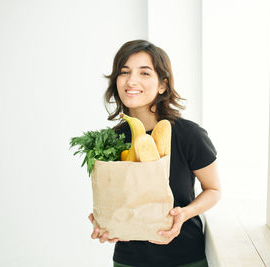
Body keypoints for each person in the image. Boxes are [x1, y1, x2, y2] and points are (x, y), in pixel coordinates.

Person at [88, 39, 221, 267]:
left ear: (162, 85)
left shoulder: (188, 135)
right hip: (128, 260)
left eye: (144, 73)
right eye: (124, 72)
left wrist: (185, 213)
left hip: (185, 258)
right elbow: (115, 198)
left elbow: (214, 190)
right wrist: (106, 223)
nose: (132, 80)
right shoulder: (110, 140)